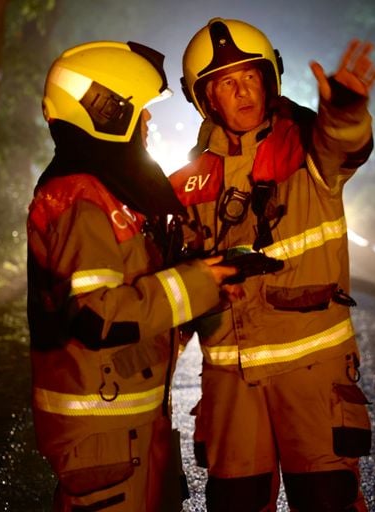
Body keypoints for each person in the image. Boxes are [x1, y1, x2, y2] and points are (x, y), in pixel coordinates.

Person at [171, 18, 375, 511]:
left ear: (269, 80)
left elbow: (343, 141)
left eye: (250, 76)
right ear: (206, 98)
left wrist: (345, 112)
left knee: (327, 500)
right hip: (230, 386)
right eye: (226, 82)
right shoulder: (187, 185)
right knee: (235, 503)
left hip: (311, 375)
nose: (243, 91)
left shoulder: (308, 147)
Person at [26, 40, 236, 511]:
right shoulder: (78, 199)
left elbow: (143, 314)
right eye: (140, 111)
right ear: (106, 111)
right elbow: (98, 317)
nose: (148, 124)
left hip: (134, 423)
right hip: (102, 433)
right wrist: (196, 281)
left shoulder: (108, 194)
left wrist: (204, 279)